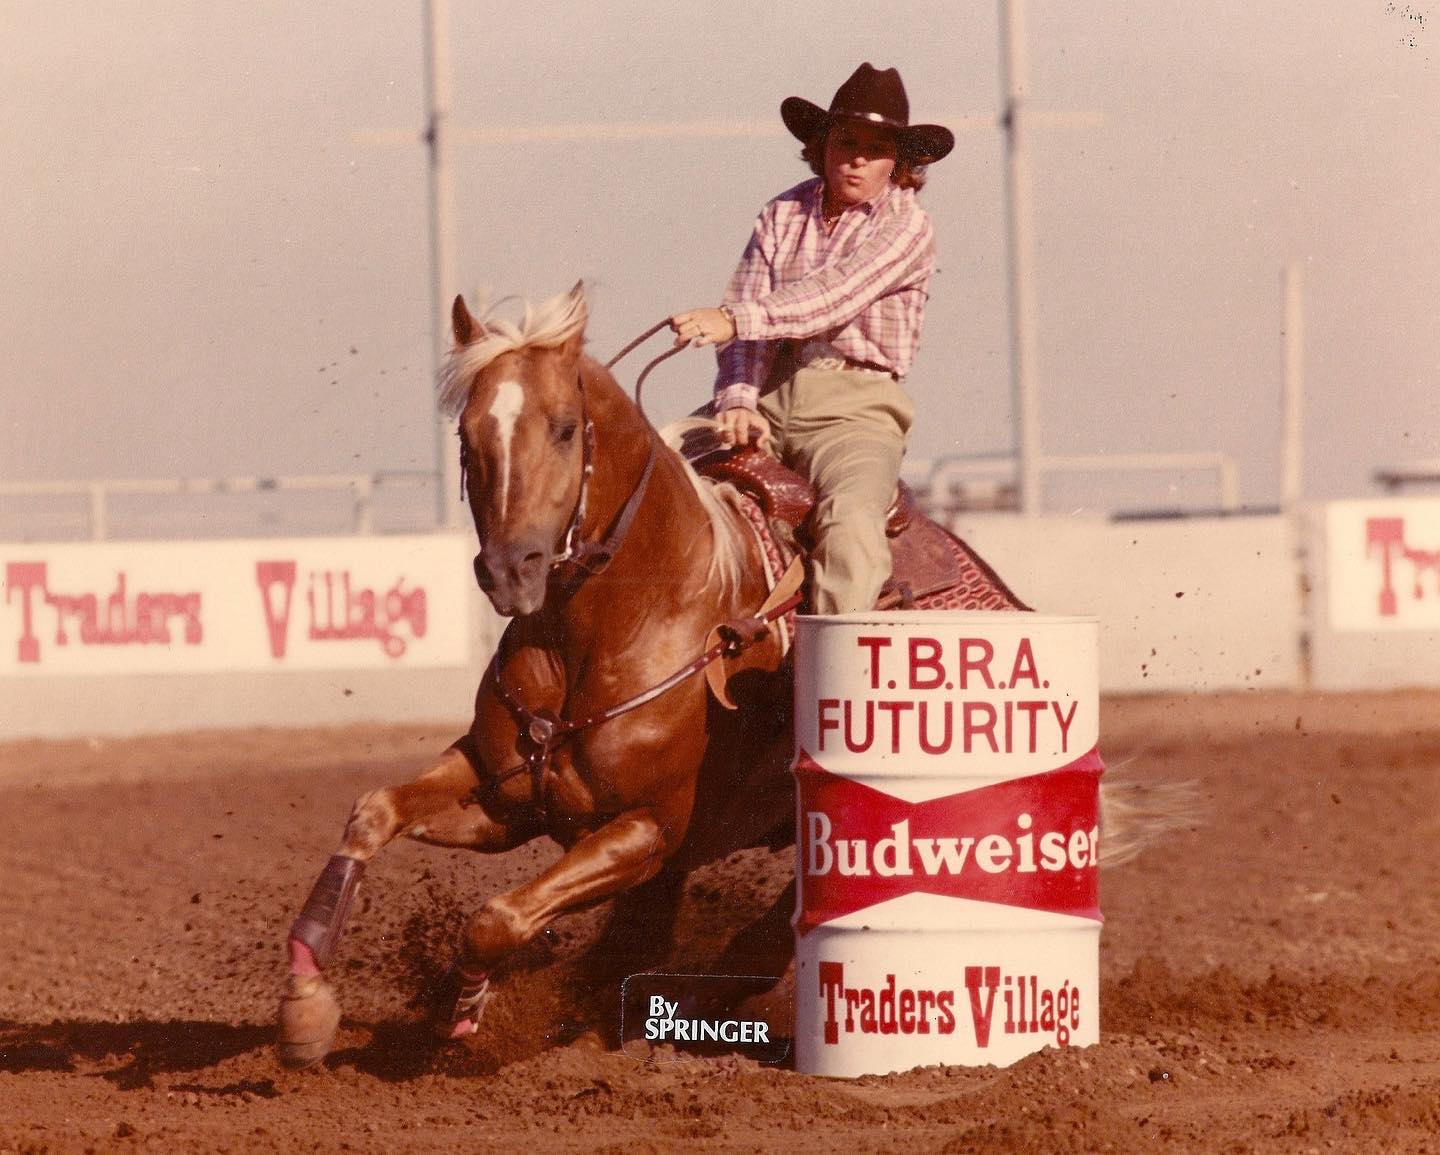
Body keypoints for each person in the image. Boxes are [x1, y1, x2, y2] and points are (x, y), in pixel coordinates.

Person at [670, 63, 954, 615]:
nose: (857, 158)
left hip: (855, 410)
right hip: (769, 396)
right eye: (847, 141)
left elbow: (833, 295)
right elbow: (750, 316)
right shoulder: (781, 214)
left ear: (898, 162)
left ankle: (830, 683)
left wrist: (734, 319)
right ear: (823, 144)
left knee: (849, 523)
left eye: (876, 148)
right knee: (656, 477)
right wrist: (737, 400)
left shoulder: (907, 225)